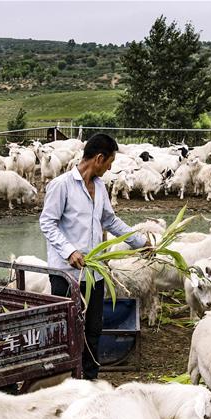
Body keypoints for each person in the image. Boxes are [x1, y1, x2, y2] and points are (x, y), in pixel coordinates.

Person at [39, 133, 148, 379]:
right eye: (109, 162)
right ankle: (65, 376)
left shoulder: (99, 186)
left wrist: (139, 241)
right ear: (99, 158)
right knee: (68, 327)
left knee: (93, 328)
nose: (110, 168)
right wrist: (69, 251)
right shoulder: (61, 185)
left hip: (94, 272)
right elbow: (47, 223)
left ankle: (89, 377)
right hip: (66, 274)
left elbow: (109, 220)